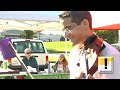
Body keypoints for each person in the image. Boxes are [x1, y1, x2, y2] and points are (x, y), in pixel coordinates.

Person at [59, 11, 120, 79]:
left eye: (68, 28)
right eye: (64, 30)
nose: (65, 35)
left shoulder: (107, 55)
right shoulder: (73, 54)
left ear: (85, 23)